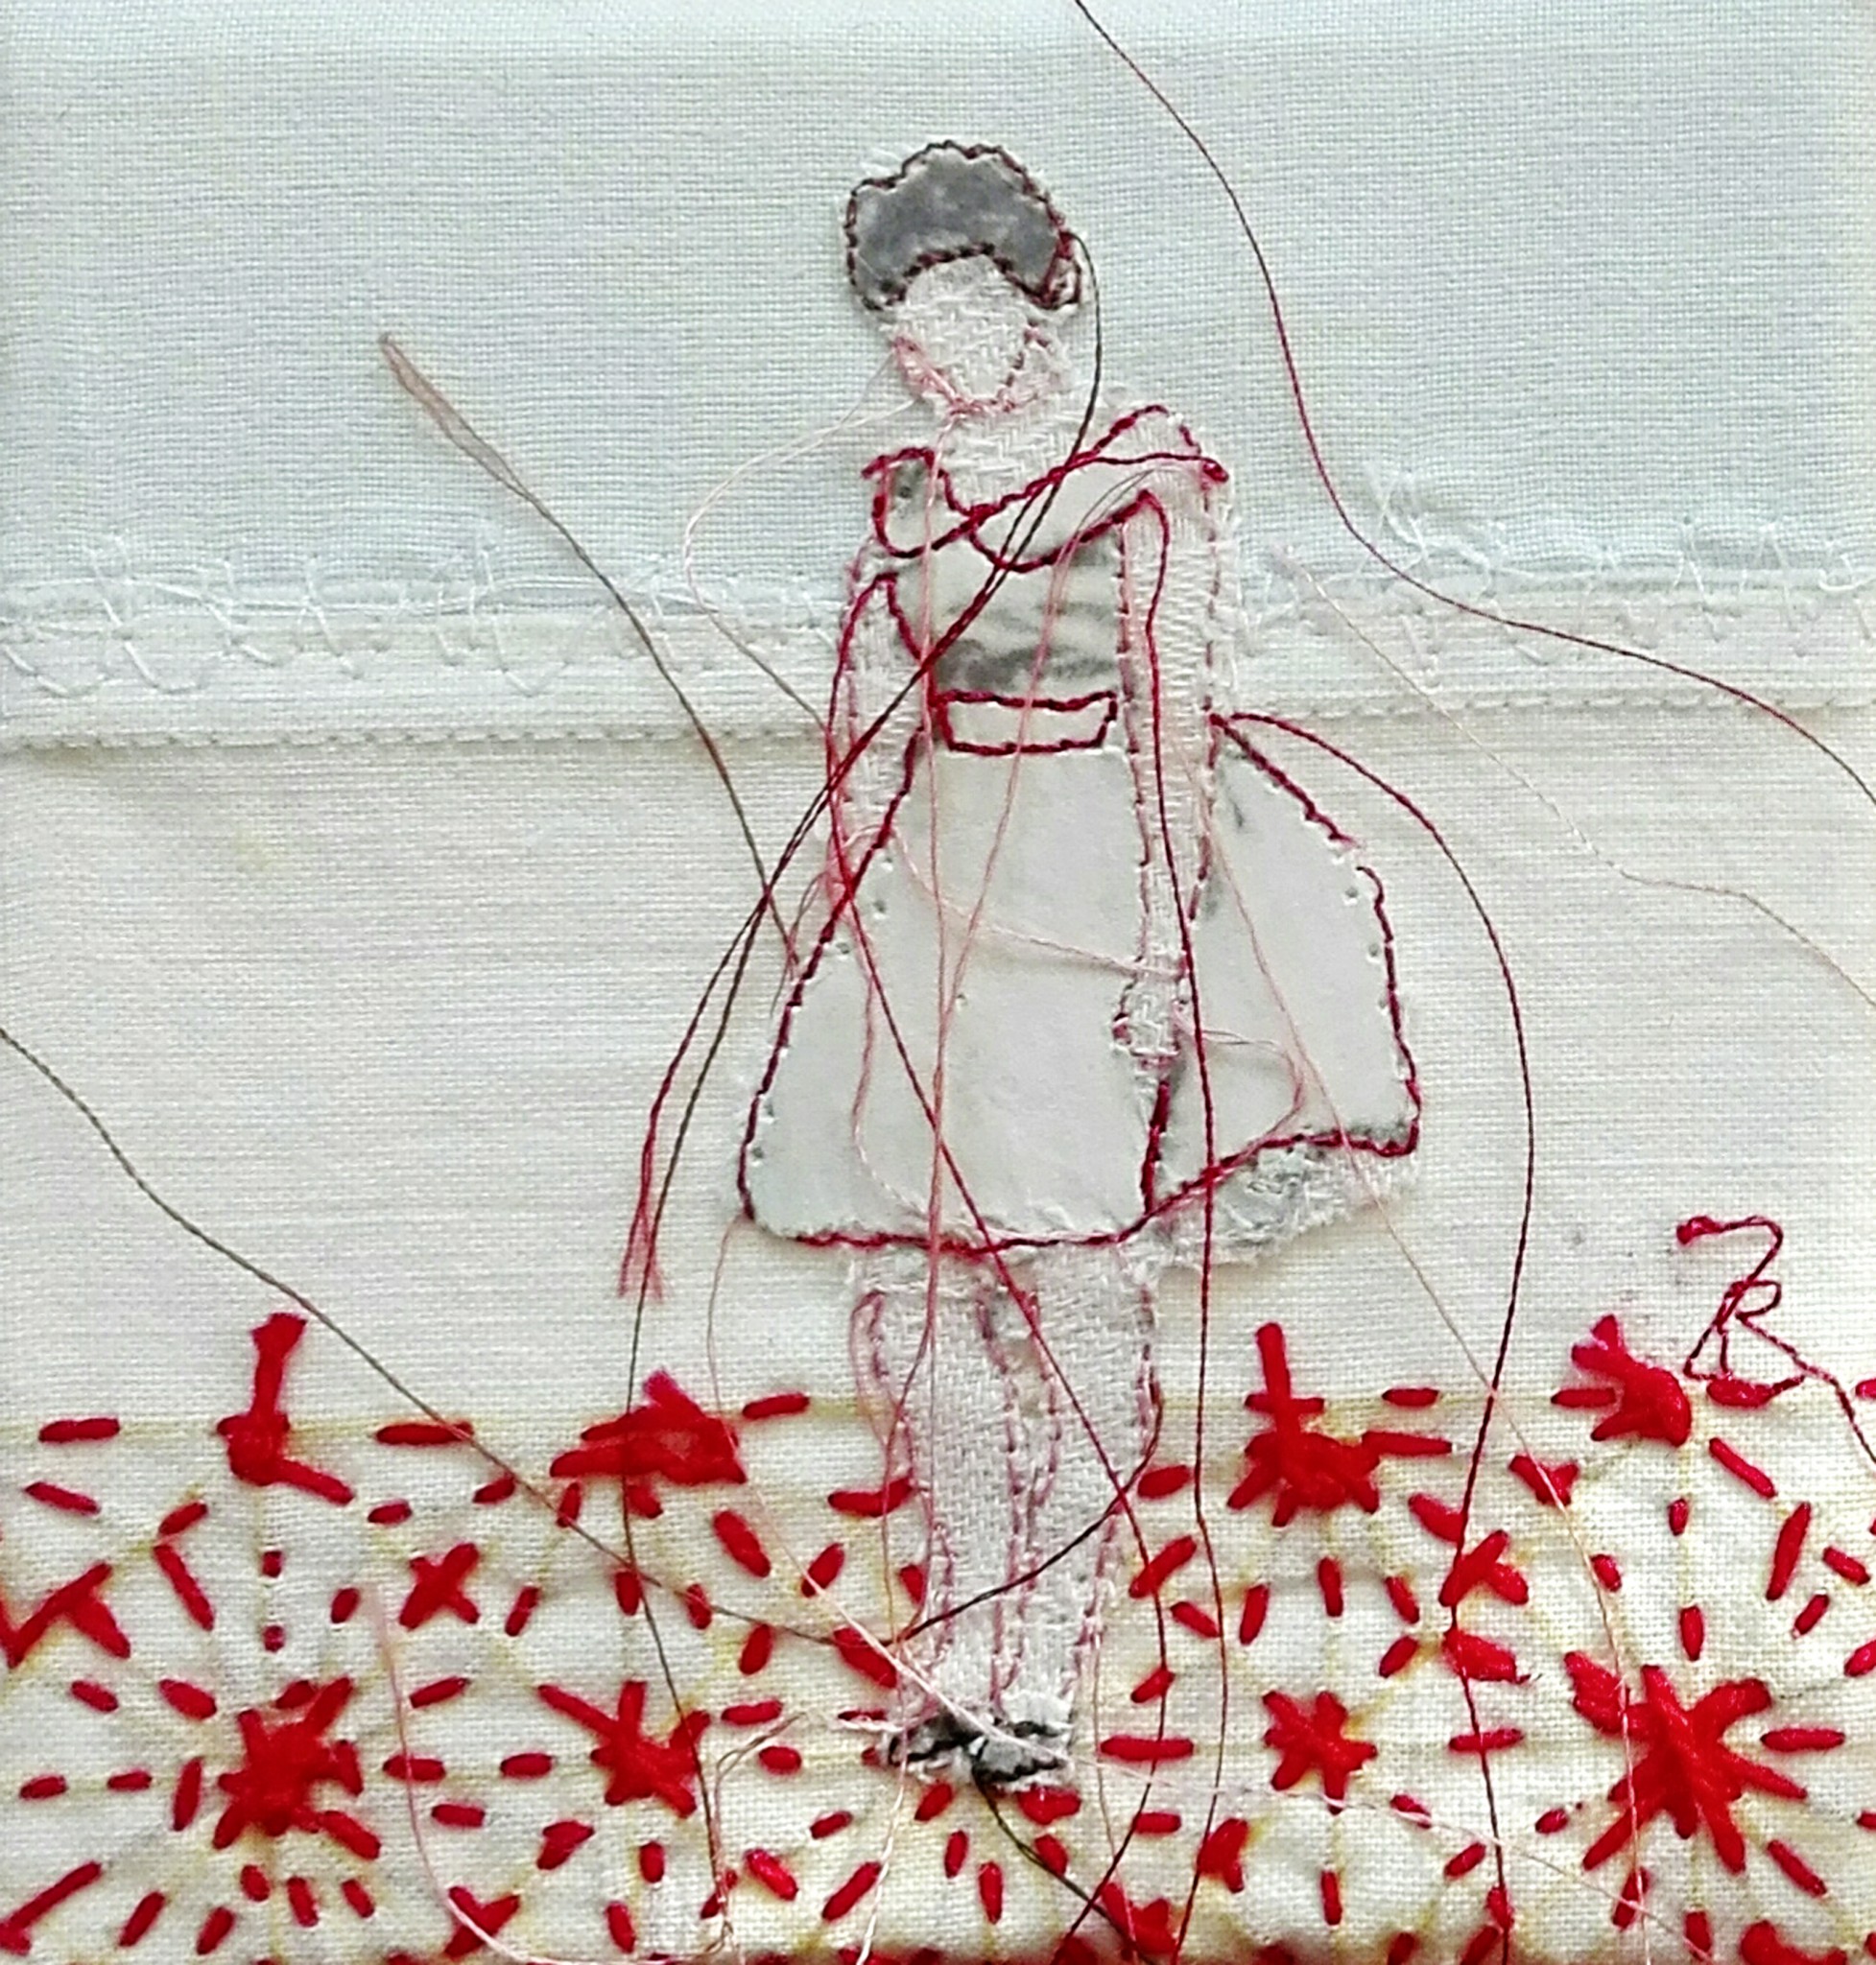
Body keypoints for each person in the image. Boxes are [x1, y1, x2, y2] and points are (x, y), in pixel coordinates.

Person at [740, 142, 1419, 1783]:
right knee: (911, 1293)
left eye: (955, 306)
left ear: (1039, 303)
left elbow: (1175, 713)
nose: (926, 346)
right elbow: (869, 722)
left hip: (1087, 879)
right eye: (903, 319)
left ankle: (1048, 1656)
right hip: (931, 900)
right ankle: (959, 1641)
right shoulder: (904, 503)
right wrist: (835, 906)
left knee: (1069, 1282)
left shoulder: (1140, 486)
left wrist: (1165, 951)